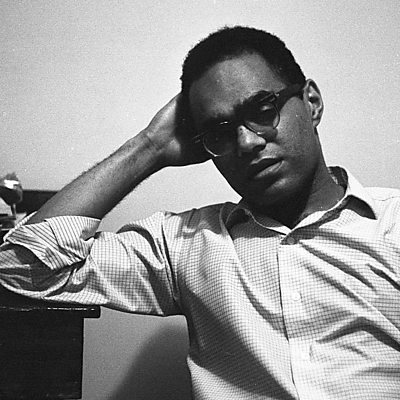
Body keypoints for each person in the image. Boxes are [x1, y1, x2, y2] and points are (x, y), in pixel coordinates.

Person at [0, 26, 399, 399]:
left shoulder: (392, 224)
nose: (246, 142)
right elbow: (20, 267)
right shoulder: (188, 244)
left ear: (311, 102)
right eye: (220, 131)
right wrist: (151, 146)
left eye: (263, 109)